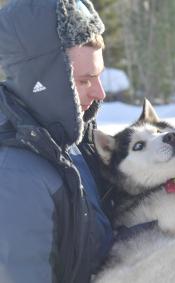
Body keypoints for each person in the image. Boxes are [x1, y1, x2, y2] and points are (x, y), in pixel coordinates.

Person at [0, 0, 113, 282]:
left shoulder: (66, 139)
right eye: (85, 80)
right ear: (42, 82)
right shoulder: (14, 175)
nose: (100, 93)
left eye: (99, 76)